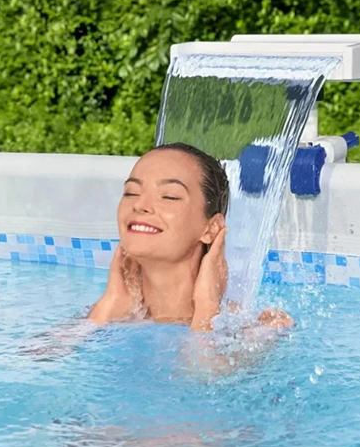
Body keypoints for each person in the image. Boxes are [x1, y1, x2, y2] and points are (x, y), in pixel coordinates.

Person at [87, 142, 294, 332]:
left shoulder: (255, 330)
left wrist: (207, 310)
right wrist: (108, 305)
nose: (139, 205)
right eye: (131, 192)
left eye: (169, 196)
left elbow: (206, 363)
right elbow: (63, 355)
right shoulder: (104, 314)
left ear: (211, 228)